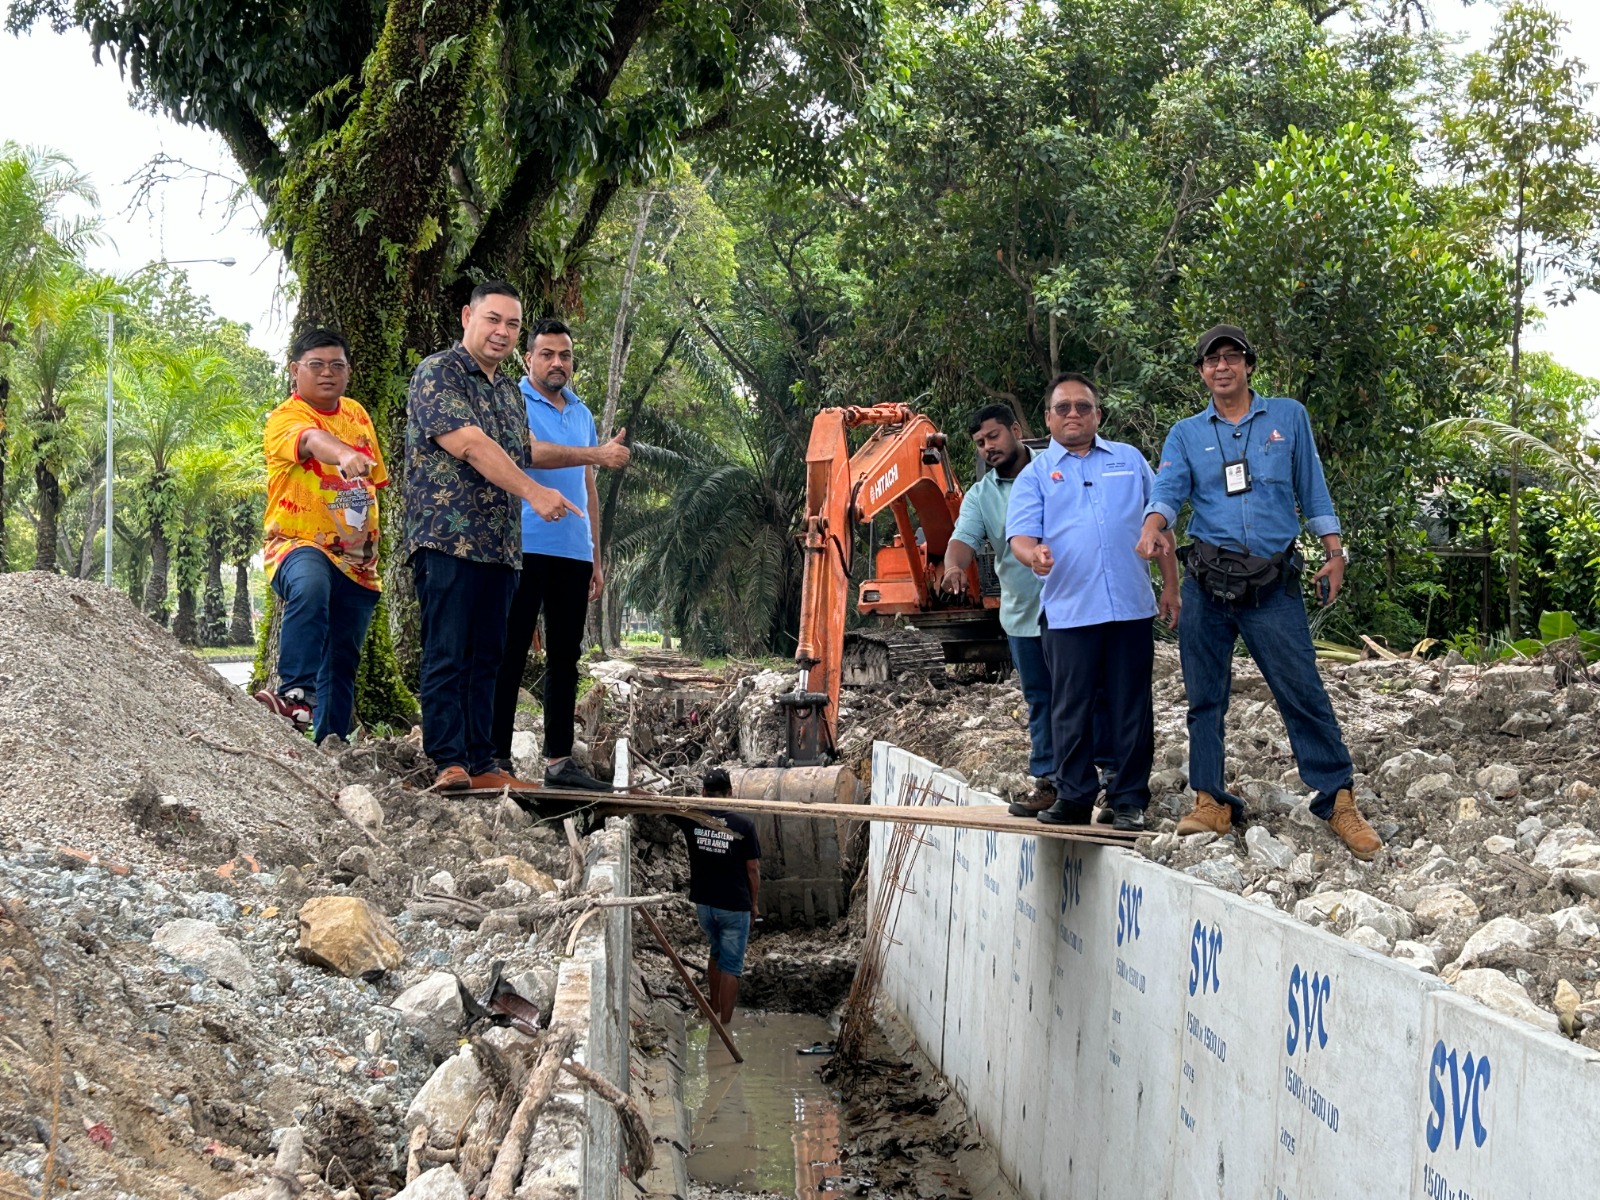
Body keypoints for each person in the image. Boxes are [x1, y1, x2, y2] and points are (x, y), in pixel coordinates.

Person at [1134, 324, 1381, 859]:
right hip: (1206, 582)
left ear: (1248, 365)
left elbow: (1311, 485)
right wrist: (1154, 527)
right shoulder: (1184, 433)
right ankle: (1210, 800)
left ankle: (1337, 798)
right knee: (1204, 697)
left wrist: (1334, 552)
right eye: (1211, 360)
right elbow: (1169, 487)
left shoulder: (1287, 417)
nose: (1221, 367)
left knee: (1301, 689)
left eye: (1231, 358)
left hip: (1273, 583)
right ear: (1201, 372)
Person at [403, 281, 582, 793]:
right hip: (447, 540)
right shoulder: (437, 373)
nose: (502, 332)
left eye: (511, 324)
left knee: (490, 657)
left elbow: (523, 450)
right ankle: (447, 760)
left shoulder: (508, 391)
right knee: (448, 650)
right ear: (467, 317)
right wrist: (534, 493)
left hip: (502, 546)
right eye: (493, 320)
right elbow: (473, 446)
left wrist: (591, 456)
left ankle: (484, 760)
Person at [1007, 373, 1179, 832]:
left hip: (1129, 608)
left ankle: (1127, 799)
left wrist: (1171, 588)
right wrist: (1034, 554)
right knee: (1071, 707)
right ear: (1048, 418)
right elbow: (1019, 537)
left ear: (1098, 414)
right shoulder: (1035, 475)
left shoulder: (1129, 460)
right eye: (1062, 408)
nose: (1073, 415)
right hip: (1069, 611)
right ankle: (1074, 795)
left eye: (1083, 407)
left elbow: (1160, 527)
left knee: (1131, 705)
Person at [490, 317, 631, 791]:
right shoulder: (511, 398)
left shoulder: (582, 413)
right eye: (547, 354)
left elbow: (588, 487)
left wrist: (594, 552)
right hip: (523, 545)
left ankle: (557, 762)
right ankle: (495, 757)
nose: (557, 362)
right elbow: (527, 453)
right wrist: (597, 454)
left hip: (573, 552)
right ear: (527, 358)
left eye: (565, 355)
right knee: (508, 652)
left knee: (564, 658)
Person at [256, 328, 387, 742]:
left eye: (337, 365)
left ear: (349, 371)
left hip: (358, 562)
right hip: (297, 544)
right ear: (296, 371)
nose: (327, 373)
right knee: (310, 585)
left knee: (342, 660)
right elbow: (313, 440)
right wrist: (346, 454)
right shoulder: (285, 418)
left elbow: (373, 485)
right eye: (316, 365)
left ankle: (330, 744)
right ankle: (294, 691)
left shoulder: (357, 414)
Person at [941, 404, 1060, 815]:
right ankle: (1050, 782)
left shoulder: (1057, 465)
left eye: (993, 437)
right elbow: (963, 538)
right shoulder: (980, 495)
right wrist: (954, 566)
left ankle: (1113, 781)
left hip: (1075, 607)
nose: (988, 447)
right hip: (1023, 615)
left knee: (1090, 692)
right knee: (1040, 698)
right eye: (979, 443)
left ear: (1015, 429)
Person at [675, 768, 761, 1026]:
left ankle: (713, 1008)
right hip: (734, 906)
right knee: (731, 966)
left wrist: (633, 791)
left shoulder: (692, 818)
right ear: (731, 793)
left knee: (715, 954)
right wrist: (754, 905)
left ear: (703, 792)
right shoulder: (743, 824)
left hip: (705, 905)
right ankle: (724, 1026)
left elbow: (660, 805)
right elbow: (752, 869)